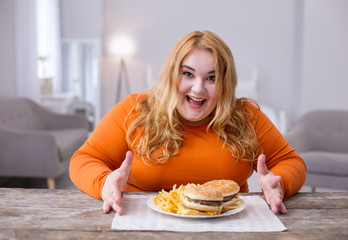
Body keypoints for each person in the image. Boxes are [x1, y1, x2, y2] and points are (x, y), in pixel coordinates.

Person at [69, 30, 306, 216]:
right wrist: (104, 183)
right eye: (188, 74)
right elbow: (84, 160)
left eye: (212, 78)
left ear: (226, 83)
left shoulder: (246, 116)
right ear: (171, 74)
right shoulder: (134, 110)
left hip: (227, 226)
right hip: (141, 224)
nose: (198, 88)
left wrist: (279, 185)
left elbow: (290, 162)